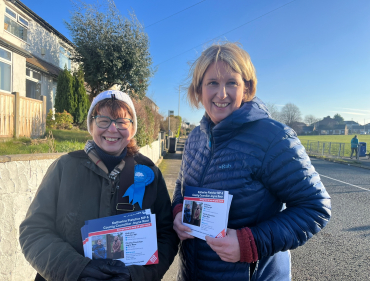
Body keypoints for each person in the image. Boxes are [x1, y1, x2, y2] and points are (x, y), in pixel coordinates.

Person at [172, 42, 331, 281]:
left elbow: (315, 207)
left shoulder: (273, 137)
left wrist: (250, 243)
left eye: (231, 83)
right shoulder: (195, 137)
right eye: (212, 83)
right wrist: (178, 212)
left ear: (246, 87)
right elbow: (181, 188)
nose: (221, 93)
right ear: (199, 90)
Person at [19, 90, 178, 281]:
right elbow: (34, 231)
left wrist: (136, 275)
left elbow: (166, 236)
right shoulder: (64, 167)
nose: (112, 129)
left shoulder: (149, 173)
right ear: (91, 125)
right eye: (103, 120)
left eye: (122, 122)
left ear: (132, 128)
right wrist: (77, 269)